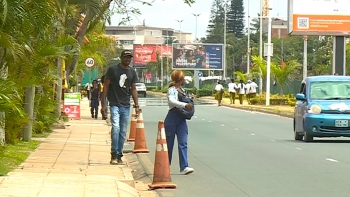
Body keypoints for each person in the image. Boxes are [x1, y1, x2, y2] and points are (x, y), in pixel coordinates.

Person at [101, 50, 140, 165]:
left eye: (130, 58)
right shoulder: (113, 70)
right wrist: (103, 105)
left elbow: (133, 89)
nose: (128, 59)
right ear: (121, 58)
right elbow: (106, 87)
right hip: (114, 104)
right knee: (116, 128)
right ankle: (113, 154)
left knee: (123, 131)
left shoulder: (132, 72)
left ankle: (119, 155)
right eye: (126, 57)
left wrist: (136, 105)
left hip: (126, 105)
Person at [164, 70, 194, 175]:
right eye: (183, 78)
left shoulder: (182, 90)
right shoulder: (172, 90)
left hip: (181, 119)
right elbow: (172, 101)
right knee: (169, 144)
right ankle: (166, 166)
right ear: (180, 79)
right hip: (172, 118)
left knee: (183, 142)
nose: (184, 80)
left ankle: (184, 166)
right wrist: (184, 105)